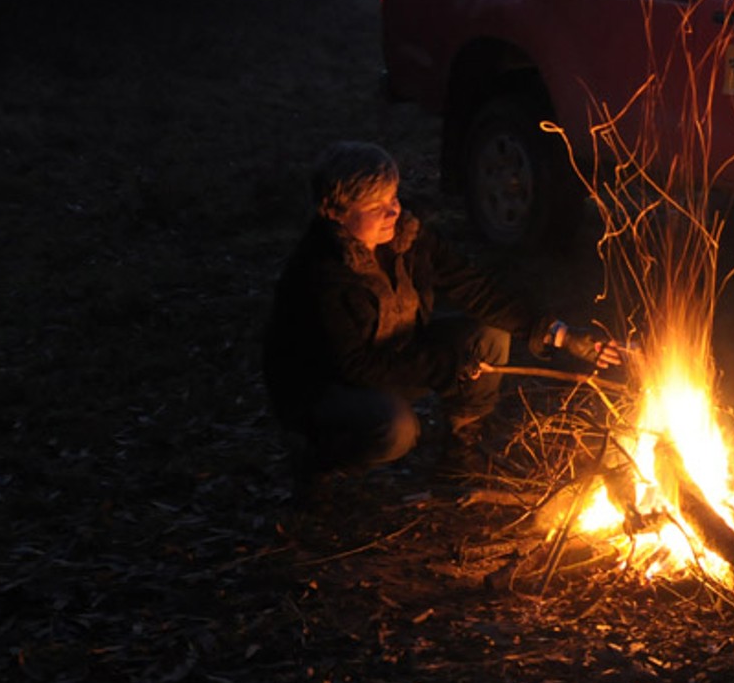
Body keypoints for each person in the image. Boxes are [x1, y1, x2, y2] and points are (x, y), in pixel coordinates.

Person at [262, 140, 619, 485]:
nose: (393, 212)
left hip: (398, 355)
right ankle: (320, 460)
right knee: (396, 429)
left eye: (393, 198)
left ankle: (461, 455)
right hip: (328, 386)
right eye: (375, 208)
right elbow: (354, 365)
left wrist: (560, 334)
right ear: (336, 214)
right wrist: (446, 367)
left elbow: (474, 288)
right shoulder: (320, 272)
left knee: (489, 337)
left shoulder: (406, 239)